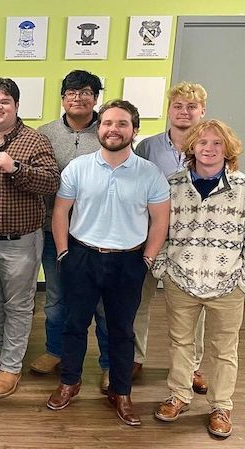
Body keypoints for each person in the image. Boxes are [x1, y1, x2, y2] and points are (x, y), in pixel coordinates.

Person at [47, 99, 170, 427]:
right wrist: (62, 253)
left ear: (134, 130)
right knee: (74, 326)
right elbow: (61, 211)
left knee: (121, 331)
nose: (113, 129)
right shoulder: (78, 168)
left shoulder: (150, 174)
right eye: (107, 123)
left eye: (122, 124)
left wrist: (146, 259)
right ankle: (69, 382)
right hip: (82, 256)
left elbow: (160, 221)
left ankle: (121, 392)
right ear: (98, 128)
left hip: (129, 261)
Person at [151, 120, 244, 438]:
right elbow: (160, 228)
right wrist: (161, 266)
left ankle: (221, 406)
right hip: (182, 278)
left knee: (224, 348)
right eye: (202, 142)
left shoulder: (242, 187)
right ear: (191, 146)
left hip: (228, 282)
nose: (208, 148)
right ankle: (179, 396)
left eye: (217, 143)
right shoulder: (172, 184)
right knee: (180, 343)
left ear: (227, 149)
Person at [0, 78, 59, 398]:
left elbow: (51, 183)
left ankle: (10, 366)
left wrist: (16, 168)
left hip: (20, 240)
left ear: (17, 106)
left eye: (5, 102)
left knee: (19, 305)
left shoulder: (34, 141)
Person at [33, 70, 111, 393]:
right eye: (71, 92)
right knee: (55, 298)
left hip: (99, 234)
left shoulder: (108, 131)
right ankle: (56, 351)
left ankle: (109, 363)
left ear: (96, 97)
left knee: (104, 304)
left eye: (86, 92)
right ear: (62, 97)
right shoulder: (45, 133)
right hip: (55, 231)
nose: (78, 98)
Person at [133, 82, 208, 392]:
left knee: (192, 305)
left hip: (192, 240)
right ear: (169, 110)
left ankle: (192, 367)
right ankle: (135, 358)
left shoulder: (211, 146)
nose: (184, 112)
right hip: (150, 235)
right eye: (178, 106)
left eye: (191, 107)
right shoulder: (148, 147)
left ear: (202, 111)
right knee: (138, 301)